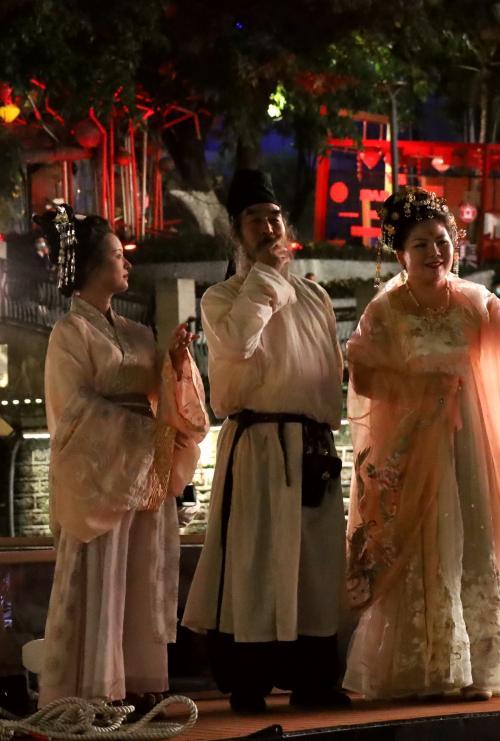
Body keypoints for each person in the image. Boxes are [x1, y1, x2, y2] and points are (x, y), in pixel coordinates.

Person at [344, 187, 500, 701]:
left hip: (470, 441)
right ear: (401, 255)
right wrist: (421, 387)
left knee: (474, 539)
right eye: (421, 244)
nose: (435, 252)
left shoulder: (475, 301)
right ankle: (423, 667)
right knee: (422, 543)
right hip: (414, 444)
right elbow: (364, 377)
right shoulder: (385, 311)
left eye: (442, 241)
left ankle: (477, 669)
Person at [182, 170, 348, 713]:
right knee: (253, 563)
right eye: (255, 220)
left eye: (274, 218)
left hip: (311, 447)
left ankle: (313, 679)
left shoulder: (315, 297)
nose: (268, 227)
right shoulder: (222, 298)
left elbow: (330, 372)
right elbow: (236, 342)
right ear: (237, 233)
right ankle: (247, 681)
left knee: (313, 567)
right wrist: (268, 279)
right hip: (256, 445)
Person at [36, 203, 208, 707]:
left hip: (140, 468)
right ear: (91, 266)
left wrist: (176, 362)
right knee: (103, 574)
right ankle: (96, 688)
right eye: (117, 255)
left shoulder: (137, 332)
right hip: (101, 473)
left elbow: (164, 396)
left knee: (140, 571)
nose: (127, 264)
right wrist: (141, 436)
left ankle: (138, 683)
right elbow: (73, 411)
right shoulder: (70, 334)